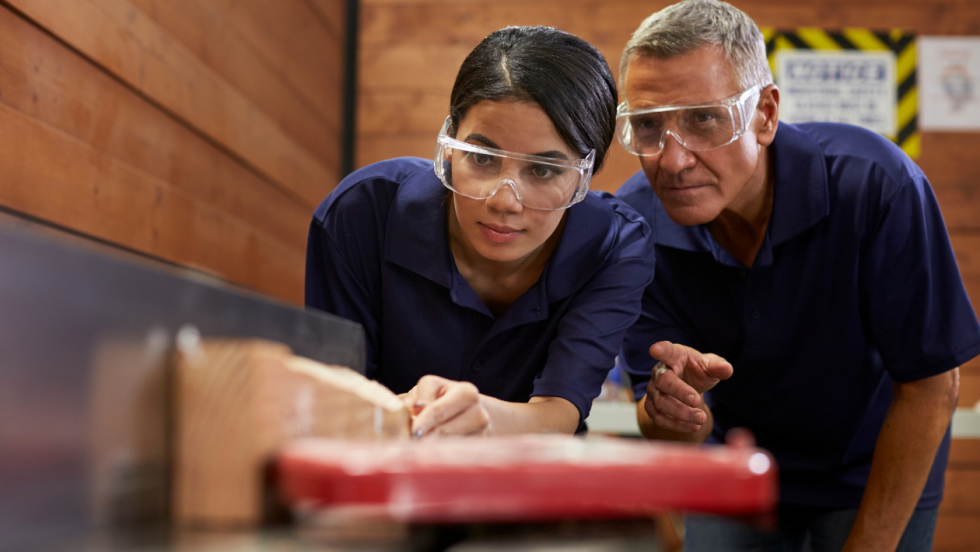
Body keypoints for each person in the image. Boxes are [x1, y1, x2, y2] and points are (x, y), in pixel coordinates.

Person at [614, 1, 980, 550]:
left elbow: (931, 386)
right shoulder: (635, 226)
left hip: (874, 463)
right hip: (737, 466)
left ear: (764, 114)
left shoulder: (876, 186)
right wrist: (673, 413)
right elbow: (661, 424)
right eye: (648, 126)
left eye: (703, 119)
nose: (673, 160)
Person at [306, 26, 654, 439]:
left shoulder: (615, 246)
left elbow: (561, 411)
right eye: (483, 159)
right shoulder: (361, 213)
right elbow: (331, 401)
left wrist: (478, 417)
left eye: (543, 170)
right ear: (450, 143)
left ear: (585, 176)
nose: (504, 201)